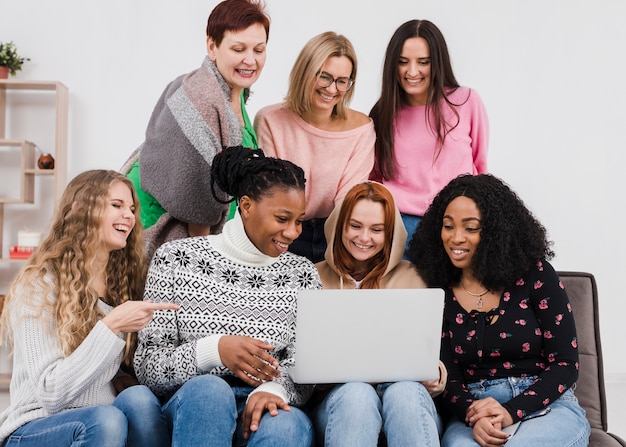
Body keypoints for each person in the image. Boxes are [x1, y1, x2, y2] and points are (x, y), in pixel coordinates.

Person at [133, 146, 321, 446]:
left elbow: (308, 365)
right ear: (246, 206)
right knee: (210, 392)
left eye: (299, 221)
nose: (293, 232)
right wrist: (214, 350)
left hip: (266, 403)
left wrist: (276, 390)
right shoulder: (176, 258)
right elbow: (149, 368)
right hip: (193, 405)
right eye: (282, 218)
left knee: (283, 426)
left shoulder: (303, 274)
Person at [407, 174, 590, 447]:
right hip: (474, 412)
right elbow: (448, 376)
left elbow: (565, 364)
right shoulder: (437, 289)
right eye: (448, 226)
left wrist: (509, 411)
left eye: (471, 228)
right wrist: (474, 414)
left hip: (543, 405)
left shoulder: (536, 275)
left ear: (495, 232)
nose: (456, 238)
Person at [0, 170, 178, 447]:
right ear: (78, 210)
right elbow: (51, 393)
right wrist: (111, 326)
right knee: (107, 420)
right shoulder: (39, 284)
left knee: (140, 400)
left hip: (101, 420)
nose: (129, 216)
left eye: (131, 208)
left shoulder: (121, 286)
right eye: (116, 205)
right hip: (34, 426)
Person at [122, 0, 270, 253]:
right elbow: (198, 200)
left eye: (259, 49)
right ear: (212, 46)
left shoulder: (236, 96)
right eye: (238, 49)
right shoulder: (201, 96)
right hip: (156, 224)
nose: (250, 60)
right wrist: (201, 262)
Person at [312, 181, 446, 446]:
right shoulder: (313, 277)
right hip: (340, 402)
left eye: (376, 229)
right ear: (340, 226)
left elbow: (433, 353)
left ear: (391, 234)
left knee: (405, 393)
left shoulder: (415, 277)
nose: (364, 238)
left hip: (406, 401)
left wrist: (436, 376)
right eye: (355, 226)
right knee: (357, 394)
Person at [254, 31, 375, 263]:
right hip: (283, 231)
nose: (332, 89)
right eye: (324, 77)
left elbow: (348, 198)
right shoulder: (270, 120)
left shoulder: (362, 128)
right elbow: (272, 191)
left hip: (337, 232)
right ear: (305, 72)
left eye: (342, 81)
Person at [369, 20, 489, 253]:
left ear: (437, 63)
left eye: (423, 62)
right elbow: (374, 178)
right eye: (403, 62)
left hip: (456, 223)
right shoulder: (382, 113)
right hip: (399, 227)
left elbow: (480, 166)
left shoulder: (466, 101)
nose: (412, 72)